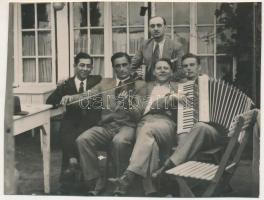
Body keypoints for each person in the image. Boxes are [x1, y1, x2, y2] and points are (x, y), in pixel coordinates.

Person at [109, 58, 187, 196]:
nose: (162, 70)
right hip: (144, 122)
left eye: (166, 68)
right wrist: (128, 104)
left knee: (147, 130)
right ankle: (151, 190)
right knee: (151, 144)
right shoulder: (145, 87)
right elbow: (138, 113)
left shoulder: (179, 86)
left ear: (171, 71)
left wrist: (172, 97)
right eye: (159, 68)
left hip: (166, 123)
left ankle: (128, 176)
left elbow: (184, 104)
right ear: (154, 72)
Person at [75, 52, 145, 195]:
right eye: (117, 66)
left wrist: (127, 104)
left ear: (130, 66)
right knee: (83, 139)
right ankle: (96, 180)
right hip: (106, 126)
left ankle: (122, 183)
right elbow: (86, 96)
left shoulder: (139, 85)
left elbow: (138, 114)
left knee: (119, 142)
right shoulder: (105, 83)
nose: (121, 69)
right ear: (113, 68)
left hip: (127, 125)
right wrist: (69, 96)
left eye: (124, 65)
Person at [152, 53, 225, 180]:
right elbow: (156, 105)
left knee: (200, 126)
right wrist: (172, 98)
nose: (188, 68)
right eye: (185, 66)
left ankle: (167, 167)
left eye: (192, 65)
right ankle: (181, 186)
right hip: (186, 129)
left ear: (199, 67)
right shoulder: (177, 86)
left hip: (211, 132)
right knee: (183, 138)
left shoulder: (211, 83)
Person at [46, 52, 102, 193]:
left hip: (91, 122)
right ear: (75, 66)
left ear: (92, 68)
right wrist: (61, 93)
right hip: (71, 122)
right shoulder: (67, 84)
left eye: (88, 66)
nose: (85, 69)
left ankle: (74, 169)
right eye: (82, 65)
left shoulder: (97, 80)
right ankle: (67, 182)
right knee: (67, 130)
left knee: (74, 134)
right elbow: (50, 102)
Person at [132, 16, 183, 81]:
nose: (155, 29)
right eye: (152, 26)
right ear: (149, 29)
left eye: (159, 25)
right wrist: (137, 78)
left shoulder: (176, 46)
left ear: (165, 28)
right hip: (148, 84)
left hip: (168, 84)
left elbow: (180, 70)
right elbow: (132, 66)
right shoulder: (144, 45)